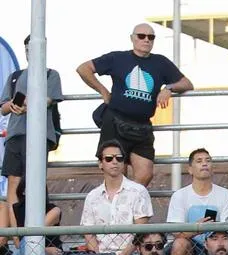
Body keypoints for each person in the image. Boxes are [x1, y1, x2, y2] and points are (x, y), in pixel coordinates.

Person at [78, 23, 193, 187]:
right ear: (132, 38)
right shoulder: (118, 58)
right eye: (141, 36)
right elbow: (84, 69)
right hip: (115, 122)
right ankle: (118, 209)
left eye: (151, 37)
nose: (146, 40)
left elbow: (187, 83)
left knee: (145, 174)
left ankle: (129, 205)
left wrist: (168, 88)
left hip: (142, 125)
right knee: (116, 174)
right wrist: (103, 91)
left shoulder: (161, 62)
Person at [1, 34, 64, 205]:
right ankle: (15, 232)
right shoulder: (14, 76)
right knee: (13, 183)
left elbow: (48, 100)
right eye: (28, 50)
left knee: (35, 182)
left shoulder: (52, 75)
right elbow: (3, 108)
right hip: (15, 134)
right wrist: (14, 105)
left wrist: (28, 106)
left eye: (34, 50)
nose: (31, 54)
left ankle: (37, 228)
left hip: (40, 135)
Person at [81, 140, 153, 255]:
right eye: (109, 158)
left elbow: (140, 233)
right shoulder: (92, 196)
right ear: (100, 164)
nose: (115, 162)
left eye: (119, 158)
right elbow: (88, 232)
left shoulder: (138, 191)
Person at [166, 147, 228, 255]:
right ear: (190, 170)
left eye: (208, 160)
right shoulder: (179, 195)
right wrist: (196, 229)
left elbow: (226, 229)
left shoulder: (224, 194)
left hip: (216, 244)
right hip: (190, 247)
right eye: (199, 161)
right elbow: (176, 232)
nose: (204, 163)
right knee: (180, 244)